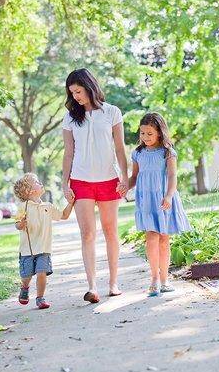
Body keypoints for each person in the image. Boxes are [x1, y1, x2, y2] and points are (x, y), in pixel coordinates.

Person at [62, 68, 128, 303]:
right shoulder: (70, 117)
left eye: (78, 91)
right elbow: (68, 153)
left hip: (109, 180)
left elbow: (120, 148)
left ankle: (113, 283)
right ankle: (92, 286)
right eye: (72, 93)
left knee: (111, 232)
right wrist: (64, 183)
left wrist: (126, 178)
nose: (76, 97)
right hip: (81, 181)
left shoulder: (112, 112)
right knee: (87, 234)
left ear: (89, 86)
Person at [120, 112, 190, 296]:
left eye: (150, 133)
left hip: (163, 199)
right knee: (151, 237)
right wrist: (126, 186)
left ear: (159, 132)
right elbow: (135, 177)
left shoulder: (168, 152)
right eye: (142, 133)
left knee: (164, 240)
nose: (145, 137)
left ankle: (165, 280)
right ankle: (154, 278)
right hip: (147, 201)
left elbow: (172, 176)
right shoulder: (138, 153)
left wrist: (168, 196)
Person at [14, 172, 74, 309]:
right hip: (27, 250)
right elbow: (17, 224)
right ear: (29, 191)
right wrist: (21, 224)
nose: (40, 182)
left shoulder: (48, 206)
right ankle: (25, 287)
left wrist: (70, 204)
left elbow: (63, 215)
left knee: (42, 273)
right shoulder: (22, 207)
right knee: (27, 275)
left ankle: (40, 298)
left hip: (44, 248)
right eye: (36, 181)